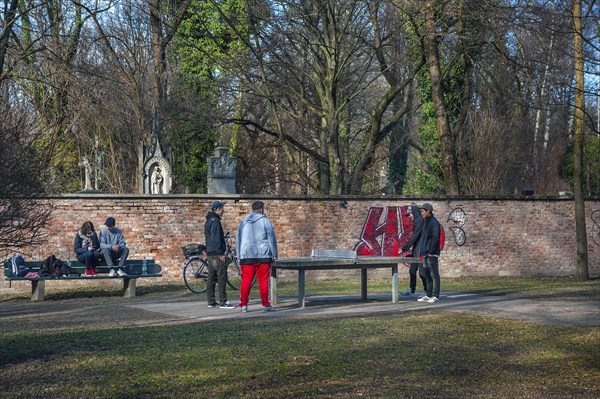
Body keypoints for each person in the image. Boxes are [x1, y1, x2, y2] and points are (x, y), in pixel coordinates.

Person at [236, 201, 278, 312]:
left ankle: (243, 305)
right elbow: (271, 239)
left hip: (246, 255)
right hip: (263, 256)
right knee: (263, 282)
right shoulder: (265, 221)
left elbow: (238, 241)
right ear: (262, 209)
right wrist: (274, 254)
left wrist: (239, 256)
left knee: (245, 281)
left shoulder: (243, 222)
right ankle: (265, 304)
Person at [204, 201, 235, 309]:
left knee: (211, 278)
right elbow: (216, 237)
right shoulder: (215, 221)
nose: (223, 211)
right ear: (217, 209)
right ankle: (223, 301)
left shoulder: (208, 220)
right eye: (222, 209)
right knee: (222, 277)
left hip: (210, 253)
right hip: (217, 253)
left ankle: (211, 301)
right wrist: (221, 253)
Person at [415, 203, 442, 303]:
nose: (421, 213)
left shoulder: (434, 223)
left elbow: (435, 238)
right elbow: (424, 239)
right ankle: (428, 294)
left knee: (434, 275)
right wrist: (422, 252)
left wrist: (431, 251)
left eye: (422, 211)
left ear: (428, 211)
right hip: (426, 253)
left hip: (431, 253)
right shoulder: (426, 222)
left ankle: (435, 295)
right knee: (427, 274)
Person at [400, 206, 427, 297]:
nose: (409, 217)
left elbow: (415, 237)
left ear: (414, 212)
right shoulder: (417, 221)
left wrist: (404, 248)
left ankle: (427, 291)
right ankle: (412, 289)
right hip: (416, 250)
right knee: (412, 270)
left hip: (421, 250)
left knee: (422, 272)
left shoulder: (420, 221)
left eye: (410, 214)